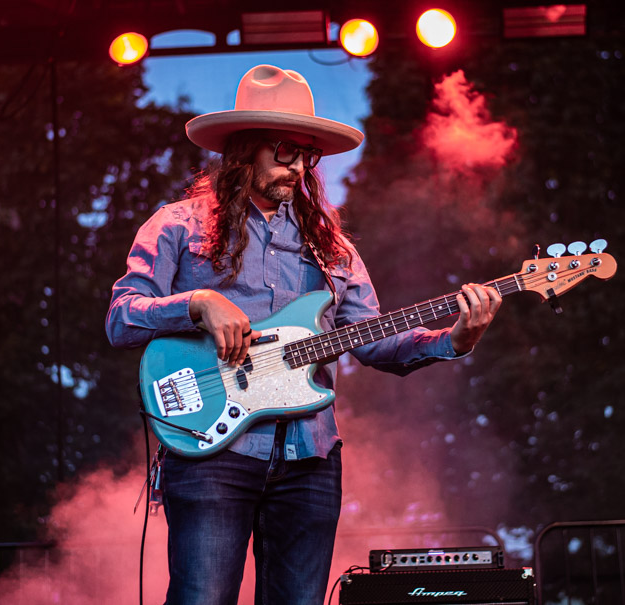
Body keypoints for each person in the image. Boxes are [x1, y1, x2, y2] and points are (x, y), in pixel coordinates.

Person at [105, 64, 502, 605]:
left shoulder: (332, 248)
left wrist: (453, 340)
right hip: (210, 450)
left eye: (307, 155)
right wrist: (197, 304)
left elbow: (371, 341)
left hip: (310, 458)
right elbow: (122, 317)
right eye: (284, 151)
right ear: (243, 149)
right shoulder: (177, 224)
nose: (298, 166)